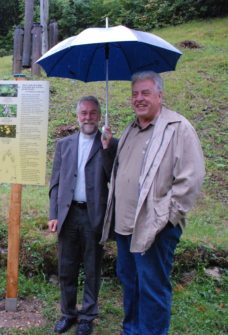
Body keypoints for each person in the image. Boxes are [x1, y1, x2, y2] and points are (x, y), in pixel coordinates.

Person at [100, 71, 205, 335]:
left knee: (152, 286)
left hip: (155, 227)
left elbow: (190, 180)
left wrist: (167, 217)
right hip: (125, 226)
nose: (139, 99)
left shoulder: (178, 128)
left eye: (145, 93)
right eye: (135, 94)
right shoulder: (131, 129)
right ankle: (132, 330)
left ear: (160, 95)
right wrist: (110, 144)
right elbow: (128, 168)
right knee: (130, 282)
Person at [48, 96, 118, 335]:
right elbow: (55, 183)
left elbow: (113, 178)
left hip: (93, 216)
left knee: (92, 268)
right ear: (77, 116)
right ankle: (68, 313)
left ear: (99, 116)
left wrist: (108, 150)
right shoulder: (64, 145)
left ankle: (87, 315)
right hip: (68, 216)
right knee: (66, 268)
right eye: (84, 113)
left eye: (93, 113)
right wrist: (53, 214)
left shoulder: (108, 143)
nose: (88, 117)